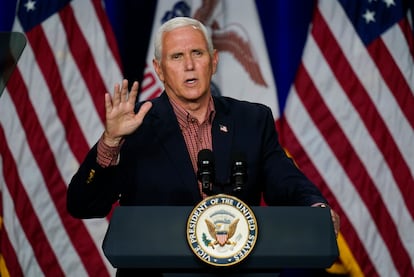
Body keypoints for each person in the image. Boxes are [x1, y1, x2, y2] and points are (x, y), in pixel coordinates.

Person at [67, 16, 340, 276]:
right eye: (176, 56)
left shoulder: (252, 120)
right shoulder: (136, 125)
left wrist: (314, 206)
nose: (189, 65)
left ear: (214, 60)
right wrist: (111, 141)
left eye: (197, 53)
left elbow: (284, 178)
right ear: (159, 69)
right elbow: (83, 204)